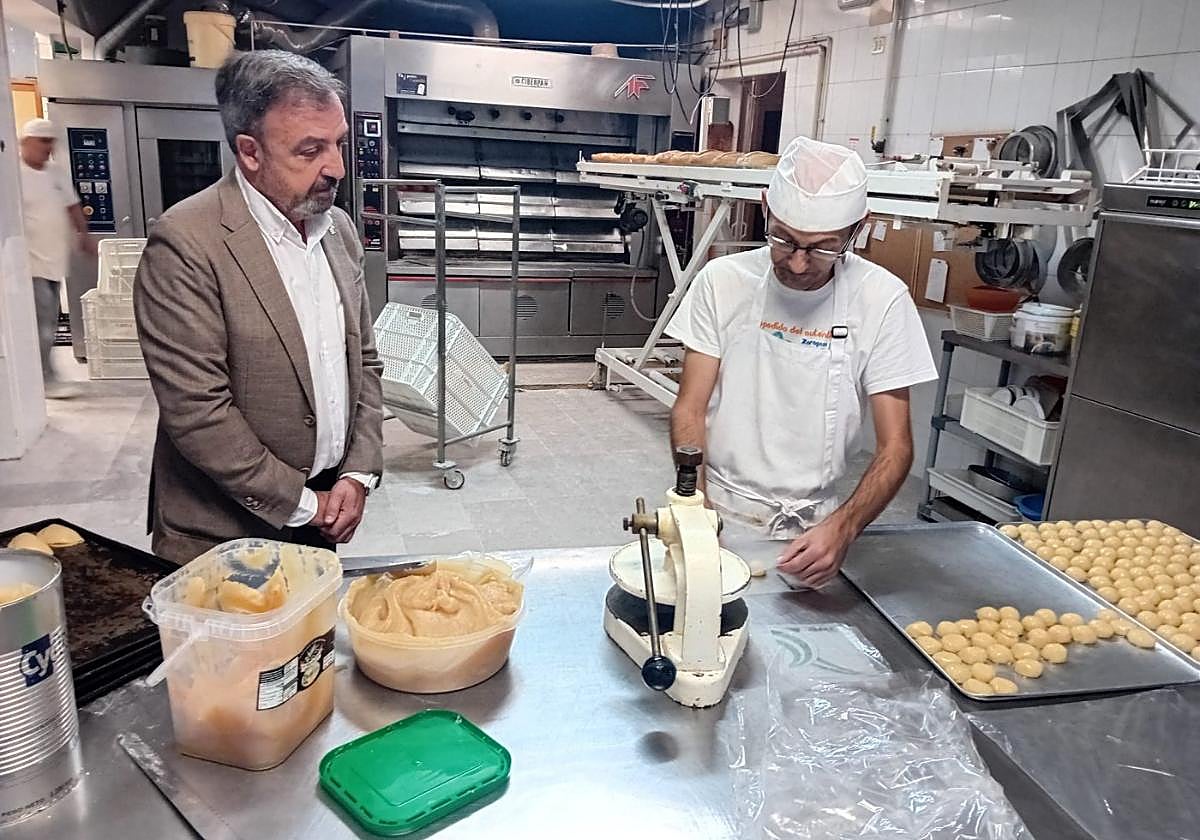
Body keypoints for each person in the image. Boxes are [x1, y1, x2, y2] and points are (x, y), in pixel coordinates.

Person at [134, 50, 383, 564]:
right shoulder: (187, 242)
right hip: (223, 534)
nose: (336, 168)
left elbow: (366, 363)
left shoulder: (337, 231)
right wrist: (300, 503)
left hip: (323, 515)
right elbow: (198, 411)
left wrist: (358, 472)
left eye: (338, 143)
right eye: (310, 150)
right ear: (250, 152)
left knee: (316, 622)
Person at [668, 136, 937, 587]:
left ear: (858, 228)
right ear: (765, 208)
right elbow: (689, 409)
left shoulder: (882, 300)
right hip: (720, 510)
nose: (796, 264)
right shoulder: (722, 282)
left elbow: (896, 447)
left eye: (823, 248)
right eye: (783, 240)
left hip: (817, 530)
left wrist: (845, 526)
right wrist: (696, 506)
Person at [17, 117, 95, 388]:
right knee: (44, 321)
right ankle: (44, 377)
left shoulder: (55, 172)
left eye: (51, 142)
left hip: (54, 260)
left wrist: (85, 236)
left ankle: (44, 374)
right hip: (28, 263)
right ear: (25, 142)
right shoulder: (13, 175)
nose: (48, 147)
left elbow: (73, 206)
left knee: (48, 318)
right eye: (43, 141)